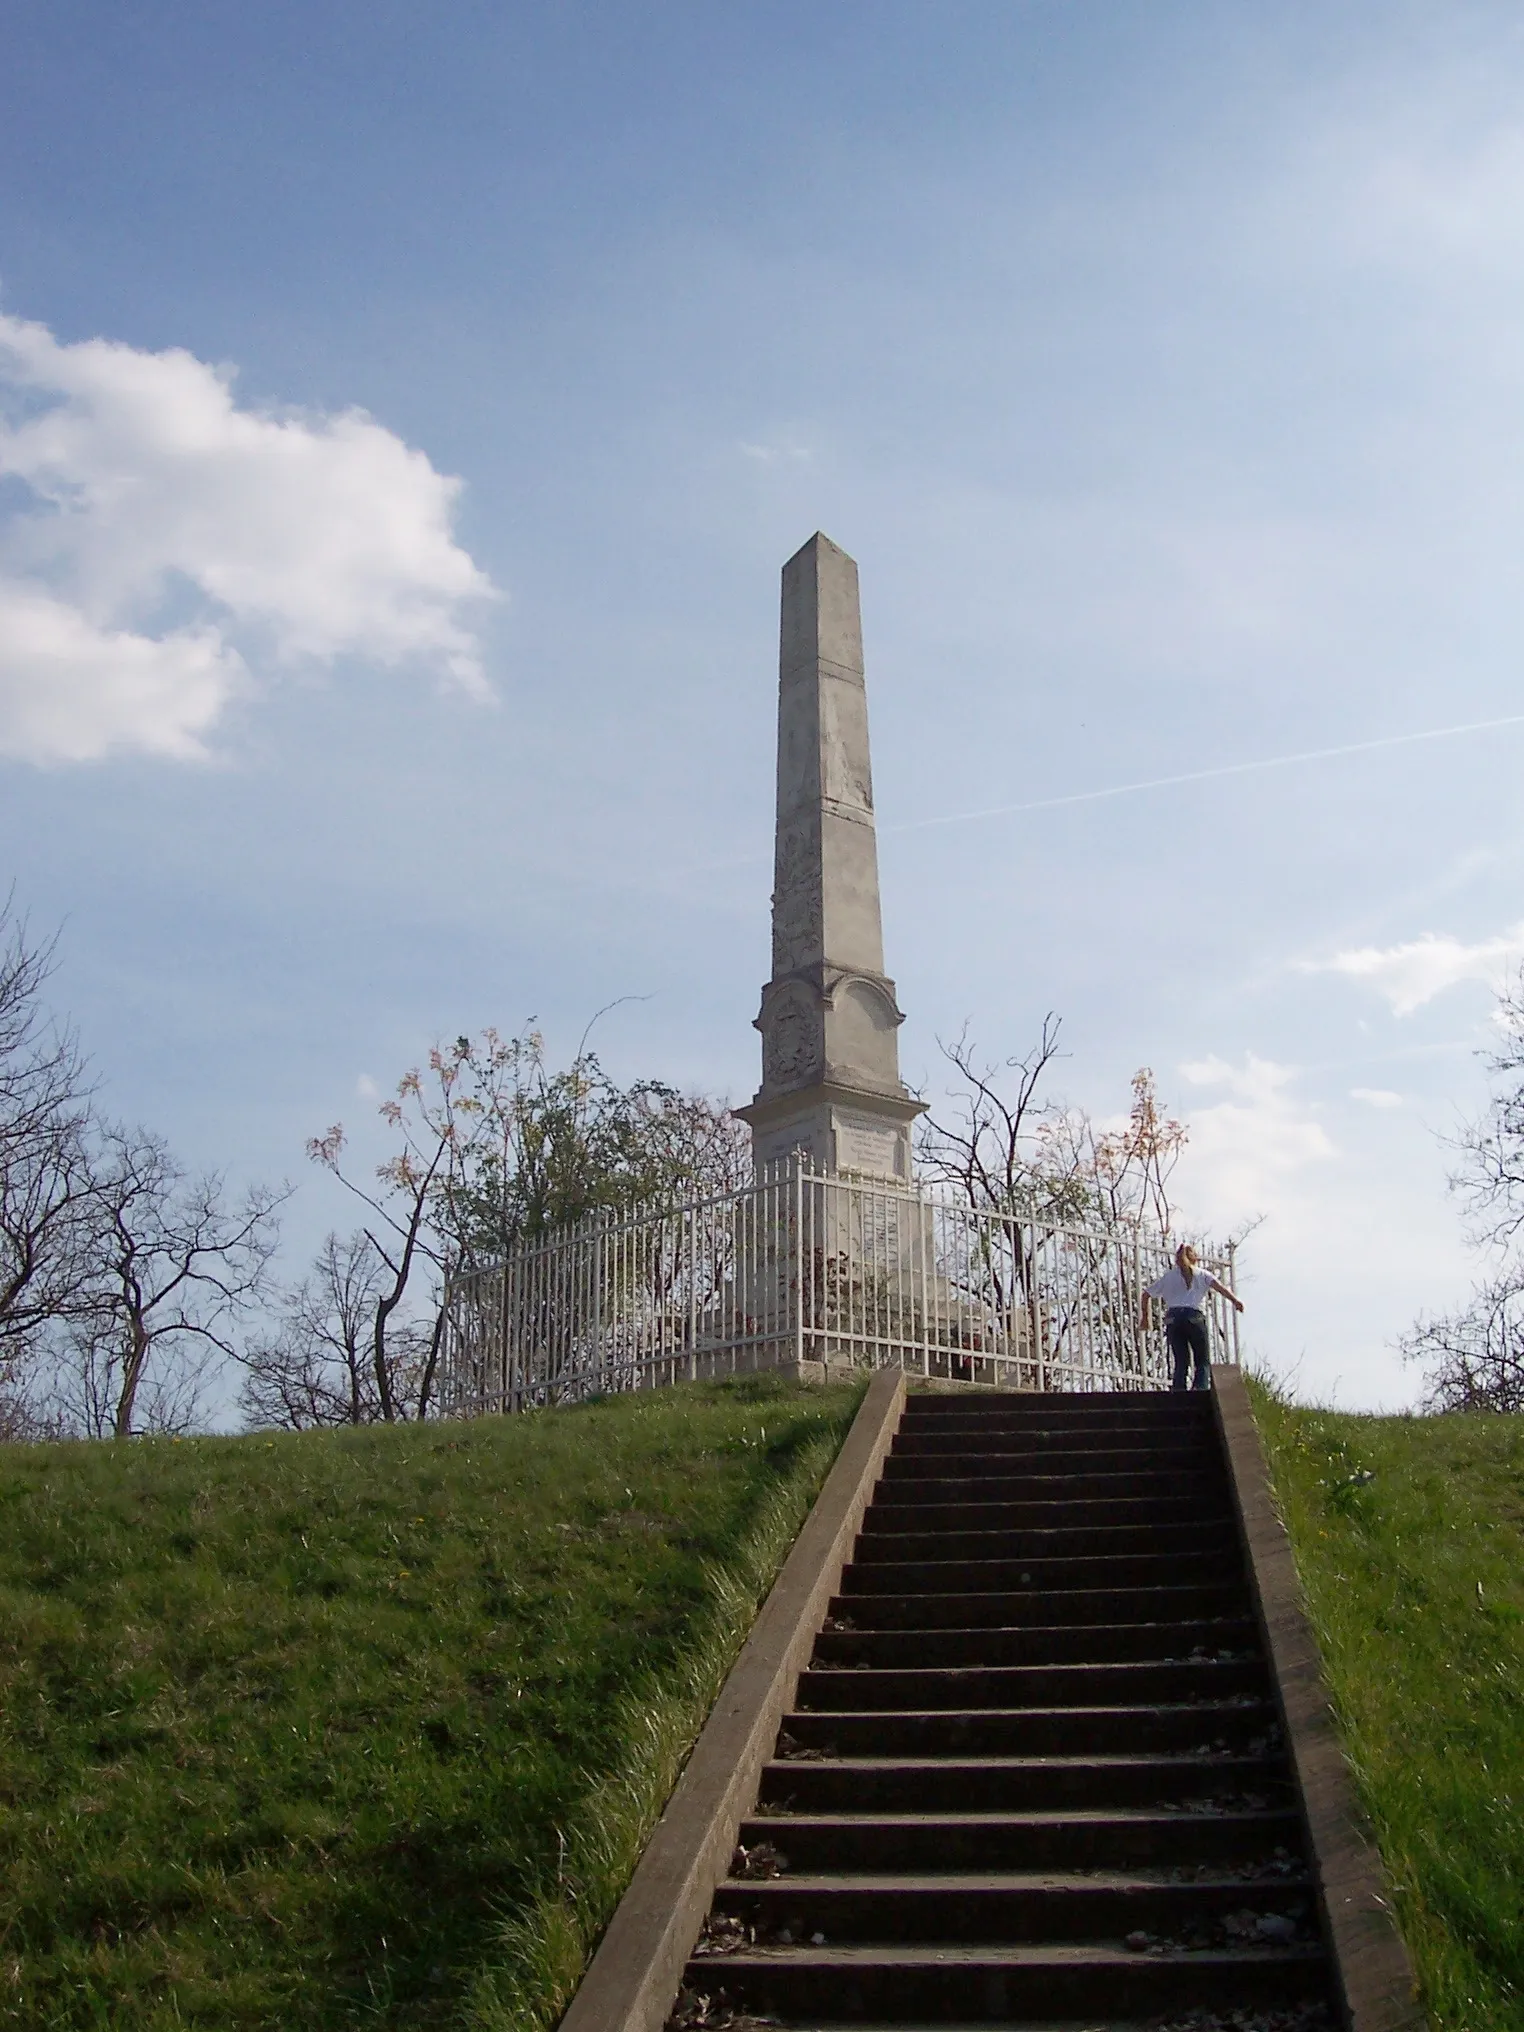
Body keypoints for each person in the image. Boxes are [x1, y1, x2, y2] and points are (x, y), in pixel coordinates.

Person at [1141, 1243, 1243, 1392]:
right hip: (1193, 1316)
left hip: (1173, 1318)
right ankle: (1200, 1389)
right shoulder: (1202, 1274)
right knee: (1202, 1359)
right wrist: (1235, 1301)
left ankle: (1178, 1391)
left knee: (1181, 1359)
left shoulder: (1168, 1277)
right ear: (1194, 1258)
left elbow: (1146, 1294)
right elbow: (1221, 1288)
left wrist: (1145, 1318)